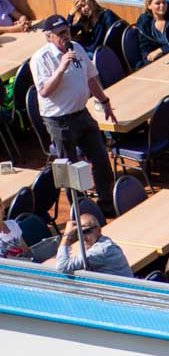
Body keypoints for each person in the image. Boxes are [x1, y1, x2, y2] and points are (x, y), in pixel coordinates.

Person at [29, 15, 116, 216]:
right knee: (71, 170)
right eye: (60, 34)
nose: (65, 36)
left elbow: (91, 78)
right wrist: (61, 68)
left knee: (101, 159)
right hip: (59, 121)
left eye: (67, 31)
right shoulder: (40, 59)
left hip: (82, 114)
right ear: (49, 36)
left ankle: (106, 206)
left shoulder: (76, 48)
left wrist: (105, 102)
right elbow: (44, 91)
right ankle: (80, 211)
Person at [56, 212, 131, 277]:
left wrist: (67, 235)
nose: (83, 237)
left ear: (99, 230)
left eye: (86, 231)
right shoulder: (104, 242)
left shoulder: (100, 250)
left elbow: (62, 266)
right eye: (78, 233)